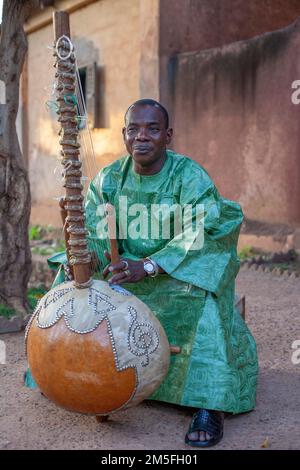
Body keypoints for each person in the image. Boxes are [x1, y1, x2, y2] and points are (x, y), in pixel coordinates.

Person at [83, 98, 258, 447]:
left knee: (203, 298)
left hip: (174, 273)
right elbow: (92, 223)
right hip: (123, 271)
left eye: (152, 128)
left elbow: (206, 228)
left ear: (168, 135)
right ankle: (73, 375)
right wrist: (107, 259)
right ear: (124, 135)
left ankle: (208, 404)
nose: (141, 137)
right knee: (71, 276)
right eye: (133, 129)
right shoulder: (108, 178)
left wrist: (148, 266)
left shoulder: (189, 176)